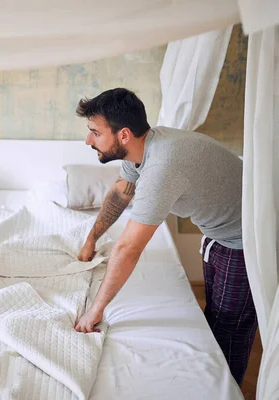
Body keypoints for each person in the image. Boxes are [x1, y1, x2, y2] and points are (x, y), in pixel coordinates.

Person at [73, 87, 256, 386]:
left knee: (231, 328)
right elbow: (121, 191)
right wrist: (91, 239)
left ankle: (227, 389)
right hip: (220, 232)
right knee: (217, 317)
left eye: (95, 132)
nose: (88, 140)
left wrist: (95, 310)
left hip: (244, 242)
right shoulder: (143, 149)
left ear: (124, 135)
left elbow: (129, 248)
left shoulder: (162, 166)